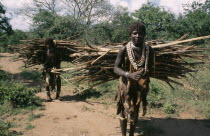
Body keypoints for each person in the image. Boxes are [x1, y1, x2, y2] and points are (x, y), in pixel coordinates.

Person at [114, 22, 154, 136]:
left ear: (144, 35)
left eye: (140, 33)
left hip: (139, 86)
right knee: (123, 109)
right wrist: (128, 75)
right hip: (125, 84)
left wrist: (144, 74)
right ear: (130, 35)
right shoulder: (124, 49)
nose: (137, 36)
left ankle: (131, 134)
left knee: (135, 110)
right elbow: (116, 68)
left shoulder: (148, 50)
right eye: (134, 33)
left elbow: (150, 67)